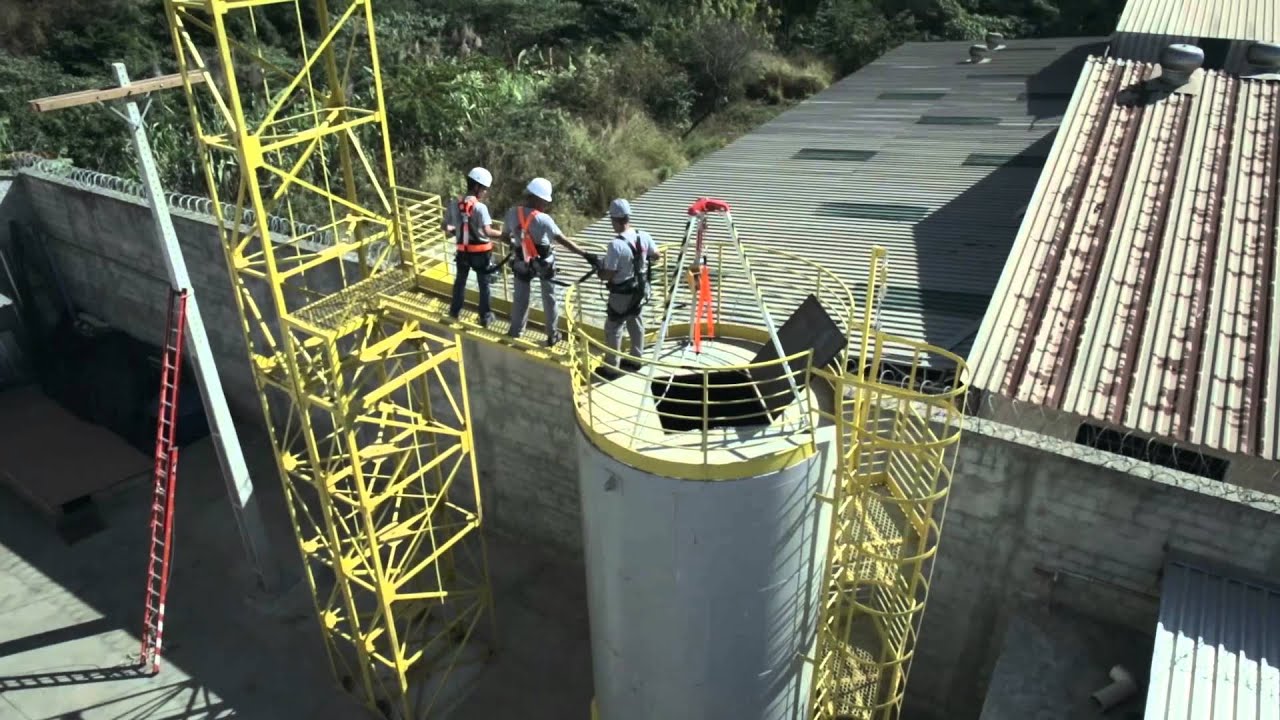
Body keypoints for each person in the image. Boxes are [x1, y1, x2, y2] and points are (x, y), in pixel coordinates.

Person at [501, 177, 592, 347]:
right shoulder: (544, 220)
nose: (545, 206)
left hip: (522, 261)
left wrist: (517, 245)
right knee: (549, 299)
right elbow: (563, 240)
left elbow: (504, 237)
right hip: (544, 263)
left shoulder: (512, 213)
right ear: (537, 199)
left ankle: (515, 332)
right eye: (544, 202)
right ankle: (552, 335)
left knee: (520, 298)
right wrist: (585, 254)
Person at [597, 198, 661, 372]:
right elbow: (656, 255)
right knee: (635, 320)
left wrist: (600, 273)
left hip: (621, 294)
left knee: (614, 327)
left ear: (615, 220)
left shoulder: (615, 245)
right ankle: (635, 359)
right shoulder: (643, 235)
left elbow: (609, 274)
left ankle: (611, 368)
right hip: (640, 290)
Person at [445, 167, 502, 327]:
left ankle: (454, 312)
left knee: (460, 282)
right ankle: (485, 316)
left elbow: (445, 226)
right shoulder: (480, 208)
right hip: (481, 254)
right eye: (484, 189)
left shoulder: (454, 204)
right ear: (477, 187)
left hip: (462, 253)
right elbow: (487, 231)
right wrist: (504, 236)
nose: (485, 193)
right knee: (483, 284)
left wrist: (458, 232)